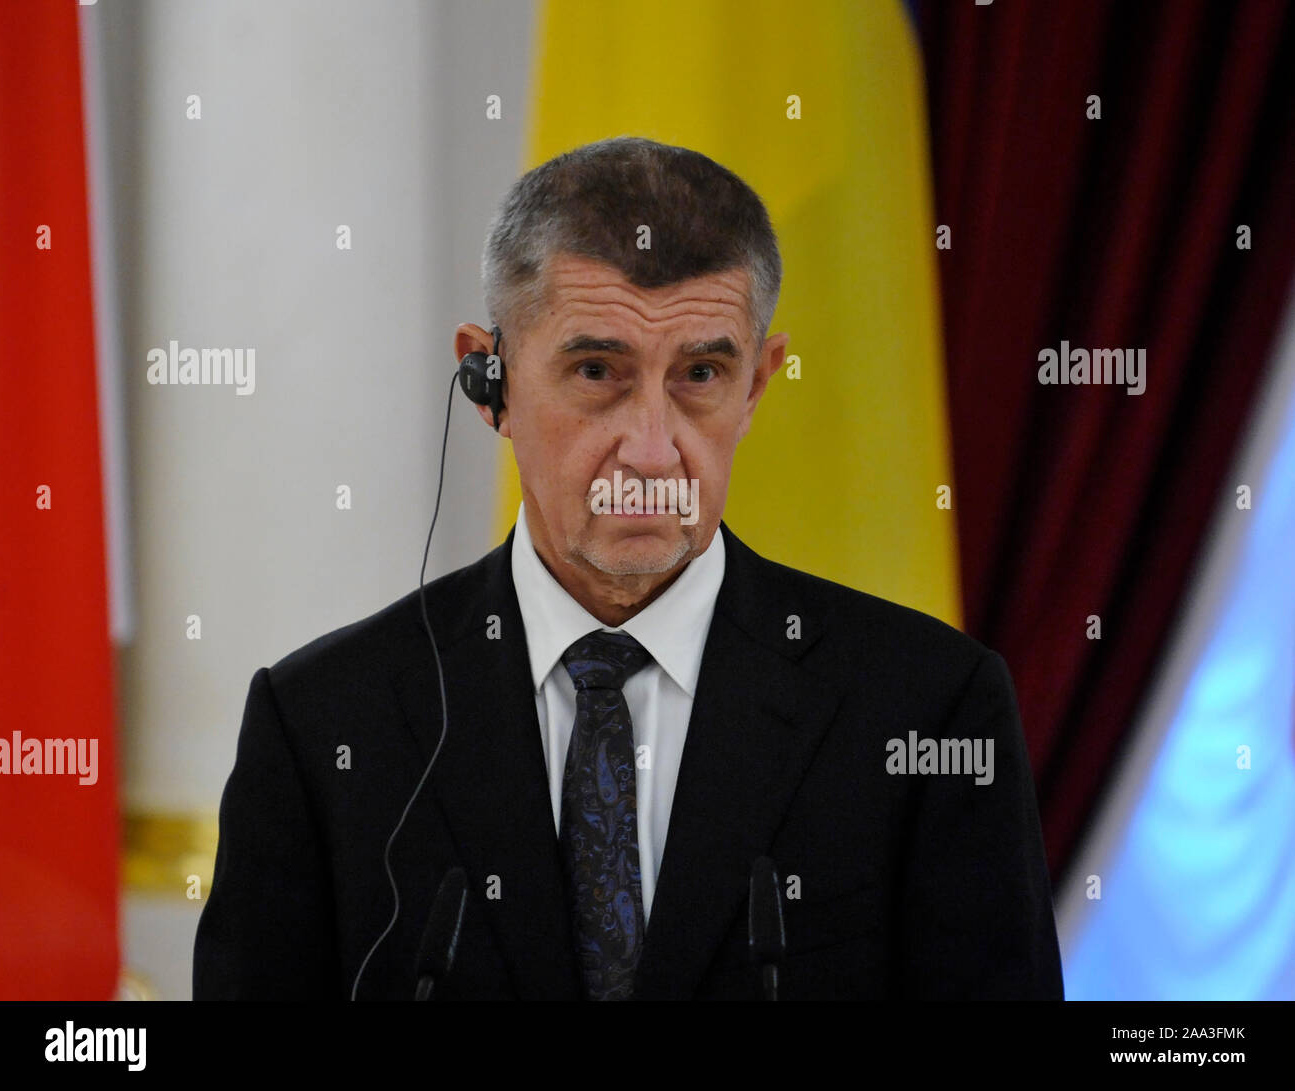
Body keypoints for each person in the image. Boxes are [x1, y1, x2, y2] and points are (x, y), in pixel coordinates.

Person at [193, 135, 1064, 1000]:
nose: (651, 452)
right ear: (489, 380)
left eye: (700, 373)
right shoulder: (323, 724)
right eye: (598, 369)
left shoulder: (928, 705)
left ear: (757, 384)